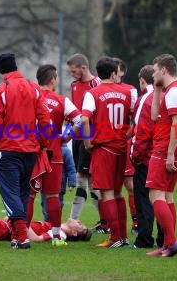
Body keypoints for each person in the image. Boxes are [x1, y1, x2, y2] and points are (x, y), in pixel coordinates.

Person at [0, 53, 51, 249]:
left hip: (9, 149)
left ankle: (22, 237)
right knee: (23, 193)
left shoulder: (3, 88)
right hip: (30, 150)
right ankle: (16, 237)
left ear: (1, 70)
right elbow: (45, 118)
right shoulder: (34, 87)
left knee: (10, 194)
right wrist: (44, 143)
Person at [82, 56, 136, 248]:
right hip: (122, 147)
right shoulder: (130, 91)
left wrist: (87, 143)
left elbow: (85, 118)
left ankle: (115, 238)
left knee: (107, 194)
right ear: (114, 73)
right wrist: (127, 135)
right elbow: (136, 119)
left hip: (103, 148)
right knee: (118, 193)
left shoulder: (93, 93)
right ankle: (123, 237)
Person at [26, 64, 82, 246]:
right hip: (54, 152)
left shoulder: (29, 97)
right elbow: (79, 119)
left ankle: (22, 234)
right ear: (52, 80)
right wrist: (66, 136)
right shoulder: (61, 100)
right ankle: (56, 237)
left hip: (33, 151)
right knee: (52, 196)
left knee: (30, 195)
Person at [145, 54, 177, 257]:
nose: (153, 74)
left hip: (165, 149)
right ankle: (168, 243)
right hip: (168, 149)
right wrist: (156, 89)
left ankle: (171, 242)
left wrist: (170, 152)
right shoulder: (170, 91)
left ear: (164, 70)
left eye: (155, 70)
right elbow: (154, 116)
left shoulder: (175, 92)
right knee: (167, 196)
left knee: (155, 196)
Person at [66, 53, 106, 233]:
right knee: (88, 180)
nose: (72, 75)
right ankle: (105, 221)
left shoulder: (96, 84)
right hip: (77, 138)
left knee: (84, 179)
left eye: (74, 71)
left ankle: (73, 219)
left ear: (83, 67)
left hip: (89, 138)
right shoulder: (74, 86)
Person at [131, 65, 164, 248]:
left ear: (143, 81)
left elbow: (142, 131)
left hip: (148, 157)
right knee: (164, 198)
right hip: (165, 155)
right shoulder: (169, 95)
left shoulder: (145, 99)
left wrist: (136, 156)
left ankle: (144, 239)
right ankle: (165, 237)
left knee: (144, 198)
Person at [114, 57, 139, 233]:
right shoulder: (101, 90)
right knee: (110, 187)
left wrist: (129, 134)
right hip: (107, 144)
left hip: (125, 143)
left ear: (121, 72)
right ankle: (111, 225)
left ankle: (136, 221)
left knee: (130, 185)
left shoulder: (130, 90)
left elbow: (136, 117)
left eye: (116, 70)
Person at [40, 143, 76, 221]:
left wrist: (72, 183)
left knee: (58, 204)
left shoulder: (65, 151)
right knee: (45, 205)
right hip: (45, 183)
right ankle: (48, 222)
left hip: (59, 185)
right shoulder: (44, 150)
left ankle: (53, 223)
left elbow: (71, 168)